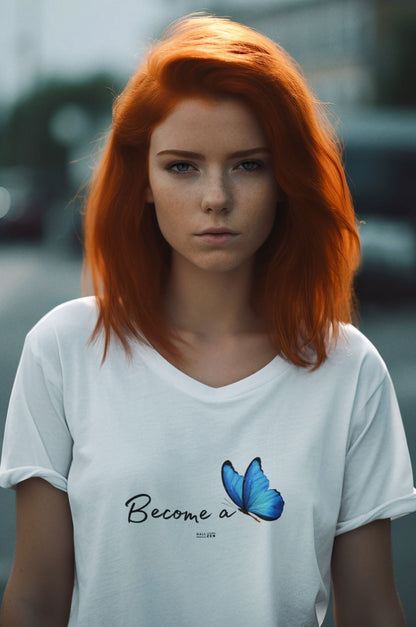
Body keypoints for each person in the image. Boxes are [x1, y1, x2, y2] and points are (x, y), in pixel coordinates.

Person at [0, 13, 415, 627]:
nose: (216, 196)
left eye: (248, 164)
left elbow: (374, 608)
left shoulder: (348, 368)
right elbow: (34, 599)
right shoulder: (64, 350)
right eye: (182, 166)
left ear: (285, 180)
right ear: (142, 178)